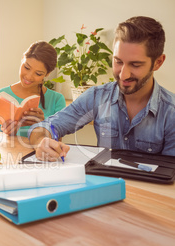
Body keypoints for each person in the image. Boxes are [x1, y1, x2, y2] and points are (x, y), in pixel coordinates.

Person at [29, 16, 175, 161]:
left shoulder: (171, 112)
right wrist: (41, 141)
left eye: (135, 65)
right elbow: (45, 127)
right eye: (118, 61)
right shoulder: (97, 96)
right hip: (103, 183)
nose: (123, 75)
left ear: (158, 62)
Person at [0, 41, 66, 137]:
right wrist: (8, 134)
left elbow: (59, 140)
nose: (29, 77)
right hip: (10, 151)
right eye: (26, 67)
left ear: (47, 74)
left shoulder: (57, 100)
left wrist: (44, 125)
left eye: (38, 74)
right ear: (22, 59)